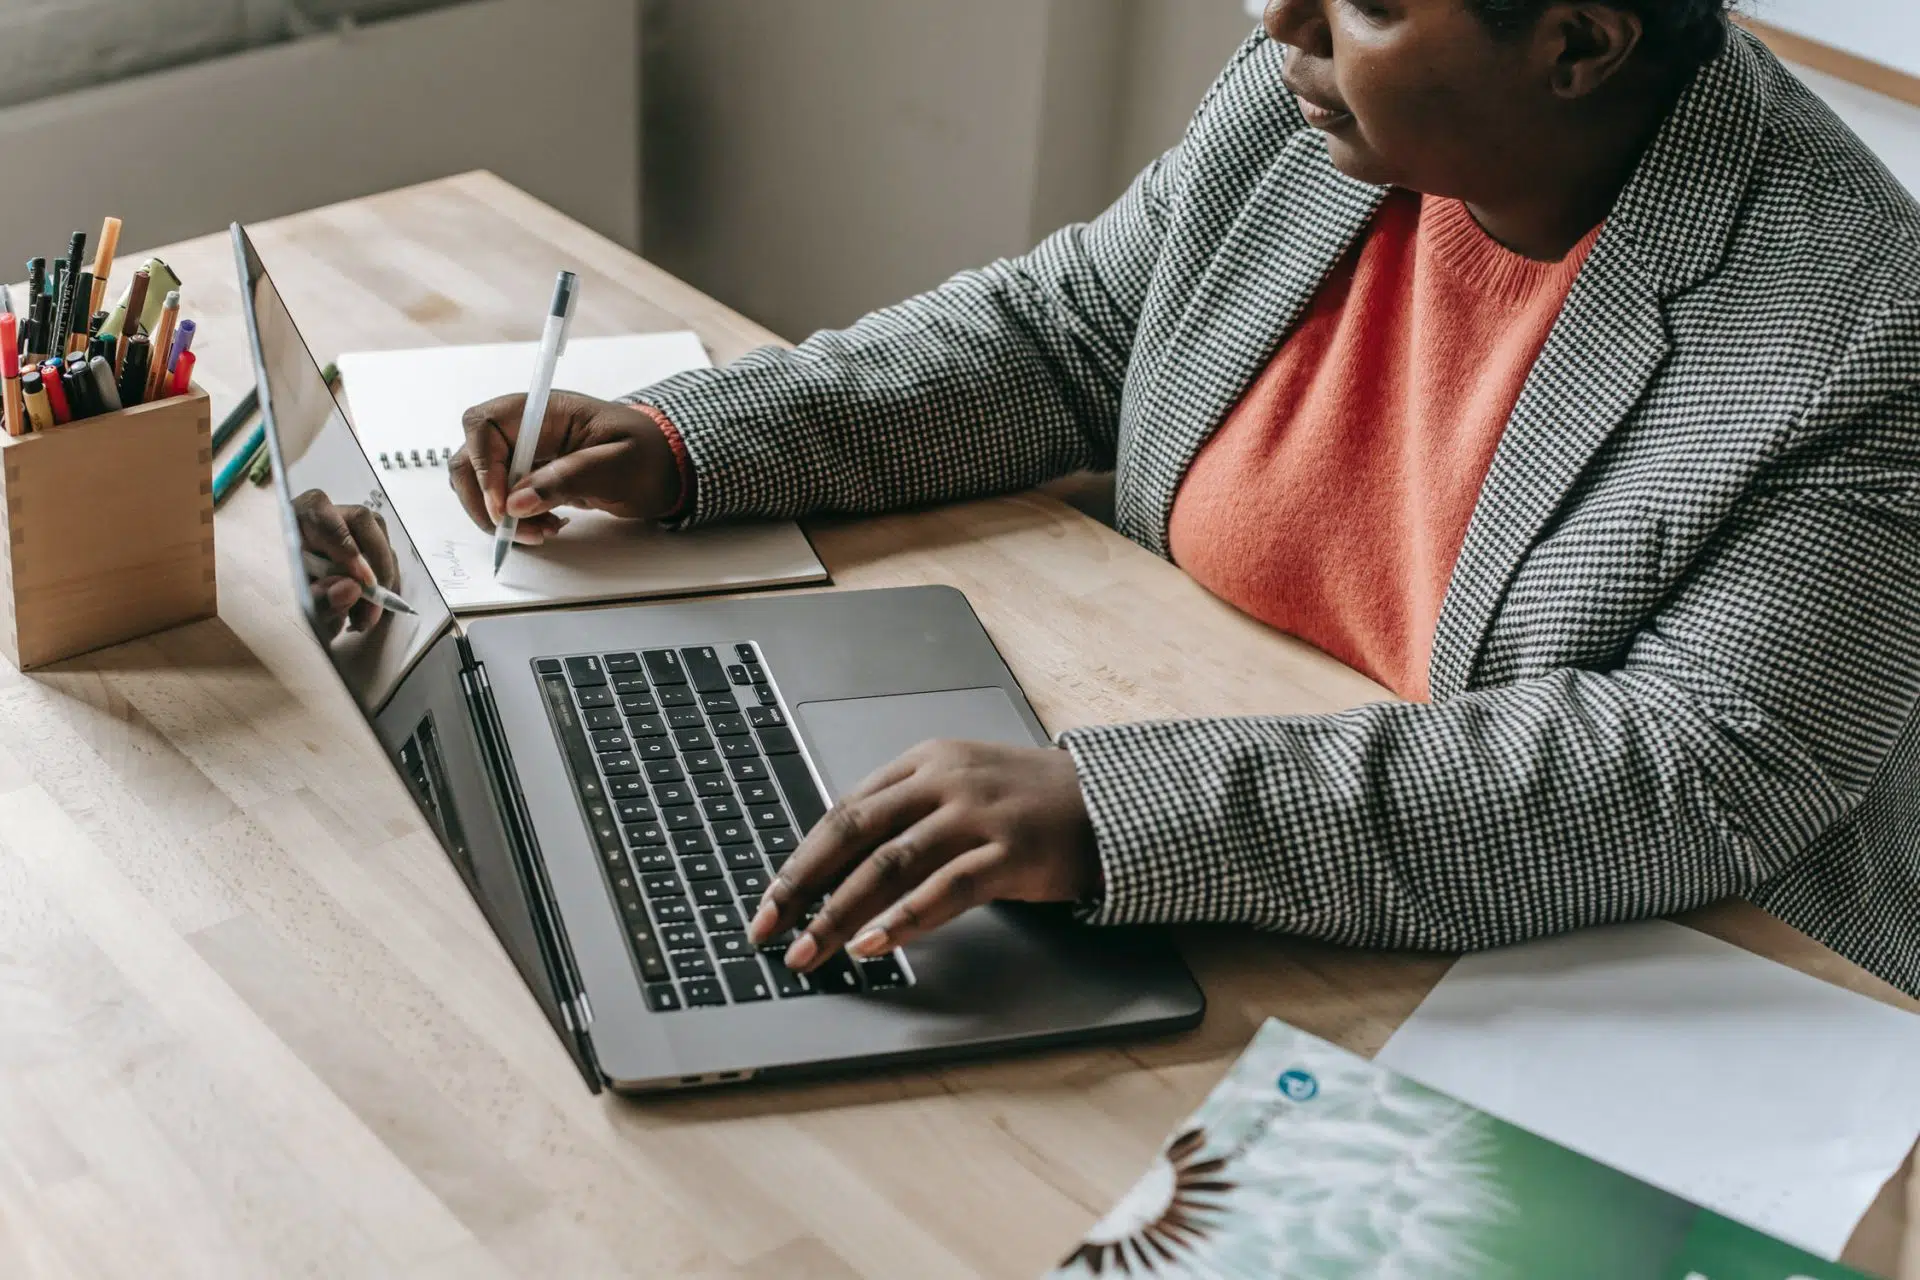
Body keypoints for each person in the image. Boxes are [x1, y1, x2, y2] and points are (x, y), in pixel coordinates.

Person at [449, 1, 1920, 996]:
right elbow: (1069, 333)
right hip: (1259, 886)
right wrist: (694, 440)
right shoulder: (1315, 110)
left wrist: (1115, 812)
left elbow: (1690, 774)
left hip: (1651, 975)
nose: (1275, 13)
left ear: (1580, 45)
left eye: (1370, 0)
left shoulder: (1864, 321)